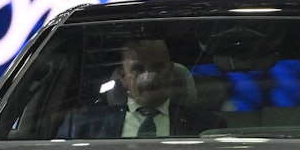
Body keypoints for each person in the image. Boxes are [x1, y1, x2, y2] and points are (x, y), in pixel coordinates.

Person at [59, 39, 226, 138]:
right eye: (138, 69)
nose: (148, 77)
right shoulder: (80, 127)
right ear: (123, 78)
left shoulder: (209, 127)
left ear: (170, 72)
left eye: (157, 67)